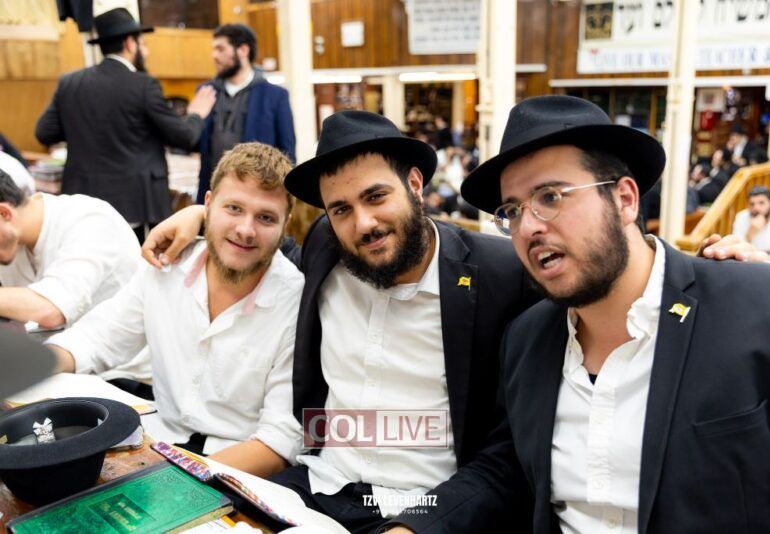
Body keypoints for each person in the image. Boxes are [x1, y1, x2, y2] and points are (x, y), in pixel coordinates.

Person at [143, 111, 537, 533]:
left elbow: (508, 454)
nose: (363, 223)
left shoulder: (499, 275)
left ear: (415, 185)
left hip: (426, 505)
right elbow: (259, 239)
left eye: (376, 196)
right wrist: (201, 216)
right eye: (341, 209)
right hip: (316, 486)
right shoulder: (325, 246)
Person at [460, 94, 770, 533]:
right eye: (512, 211)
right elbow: (507, 471)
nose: (528, 227)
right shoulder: (527, 340)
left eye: (550, 196)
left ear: (624, 199)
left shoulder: (767, 309)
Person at [46, 143, 304, 477]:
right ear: (207, 205)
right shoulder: (165, 267)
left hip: (236, 465)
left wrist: (176, 478)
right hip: (157, 440)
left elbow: (279, 440)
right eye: (234, 208)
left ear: (285, 224)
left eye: (265, 217)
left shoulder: (295, 302)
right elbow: (95, 340)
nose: (245, 229)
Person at [35, 7, 216, 242]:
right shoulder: (143, 85)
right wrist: (196, 115)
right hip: (131, 206)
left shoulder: (70, 82)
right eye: (143, 44)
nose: (146, 51)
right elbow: (183, 136)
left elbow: (44, 132)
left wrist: (80, 128)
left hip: (81, 204)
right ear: (130, 44)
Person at [0, 169, 148, 384]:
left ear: (5, 213)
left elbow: (50, 309)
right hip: (57, 362)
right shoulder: (10, 241)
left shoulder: (90, 220)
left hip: (122, 375)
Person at [194, 24, 296, 204]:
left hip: (258, 196)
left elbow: (287, 152)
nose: (214, 55)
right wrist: (191, 118)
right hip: (213, 194)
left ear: (242, 50)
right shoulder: (206, 92)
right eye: (214, 49)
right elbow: (192, 143)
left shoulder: (275, 96)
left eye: (220, 49)